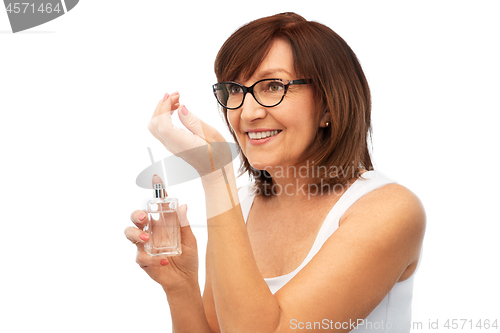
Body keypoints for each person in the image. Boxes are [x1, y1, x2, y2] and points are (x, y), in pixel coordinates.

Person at [124, 12, 425, 333]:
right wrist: (181, 287)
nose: (248, 112)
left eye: (273, 86)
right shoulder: (240, 203)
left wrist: (215, 175)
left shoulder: (390, 211)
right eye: (235, 89)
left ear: (327, 105)